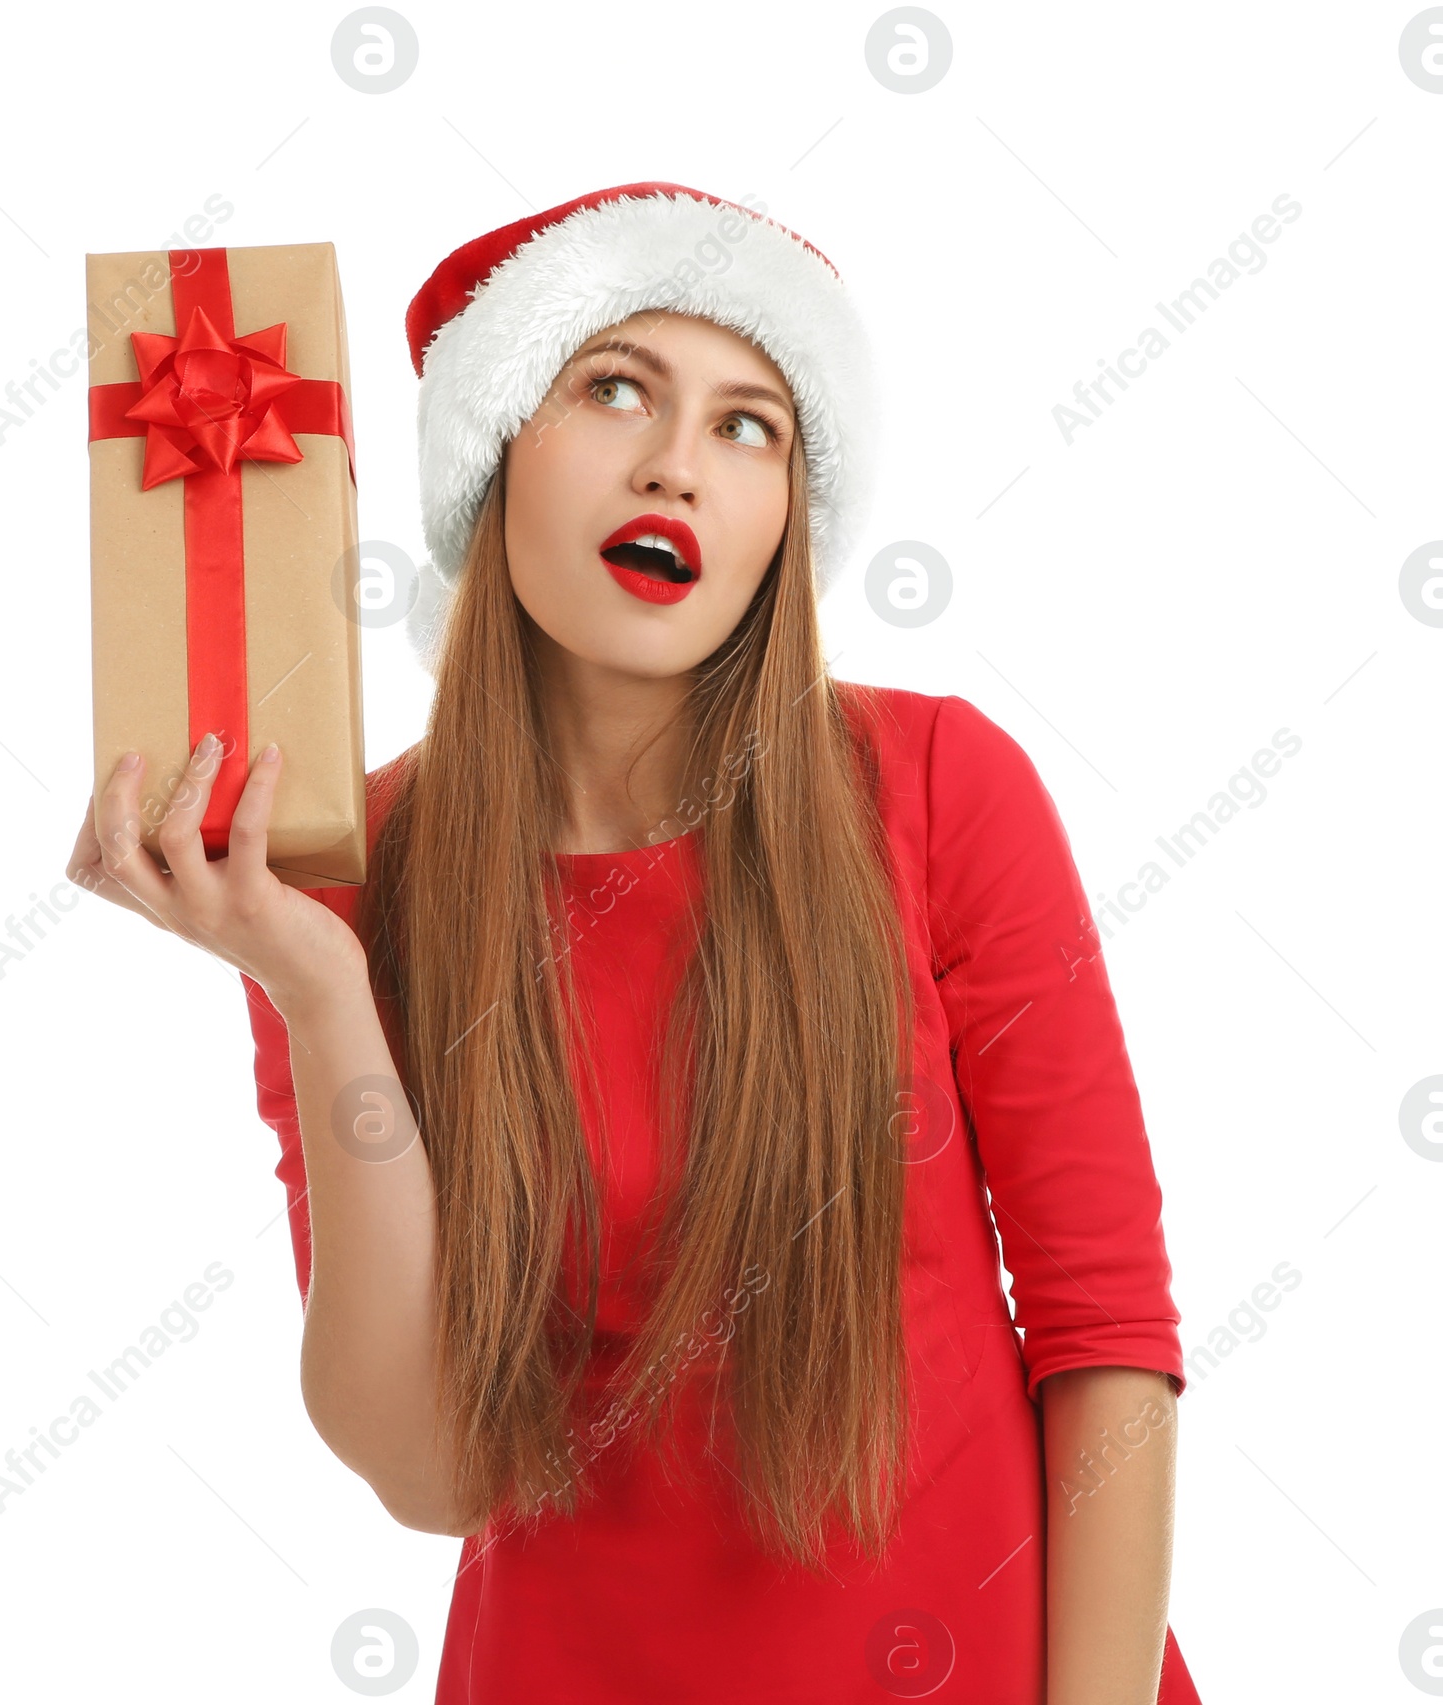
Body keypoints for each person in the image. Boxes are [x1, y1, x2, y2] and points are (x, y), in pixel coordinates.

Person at [68, 183, 1203, 1704]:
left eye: (752, 427)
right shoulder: (347, 881)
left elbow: (1103, 1327)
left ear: (787, 521)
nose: (679, 463)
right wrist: (321, 987)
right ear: (495, 454)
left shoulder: (939, 790)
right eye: (614, 389)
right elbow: (431, 1469)